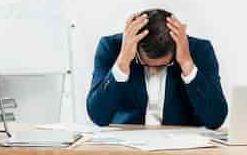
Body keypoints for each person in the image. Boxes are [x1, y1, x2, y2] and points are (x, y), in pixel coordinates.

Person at [87, 8, 228, 129]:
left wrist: (186, 63)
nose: (154, 70)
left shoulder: (199, 50)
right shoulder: (111, 48)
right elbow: (98, 117)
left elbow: (215, 120)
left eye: (163, 65)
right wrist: (123, 62)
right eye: (146, 64)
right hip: (128, 146)